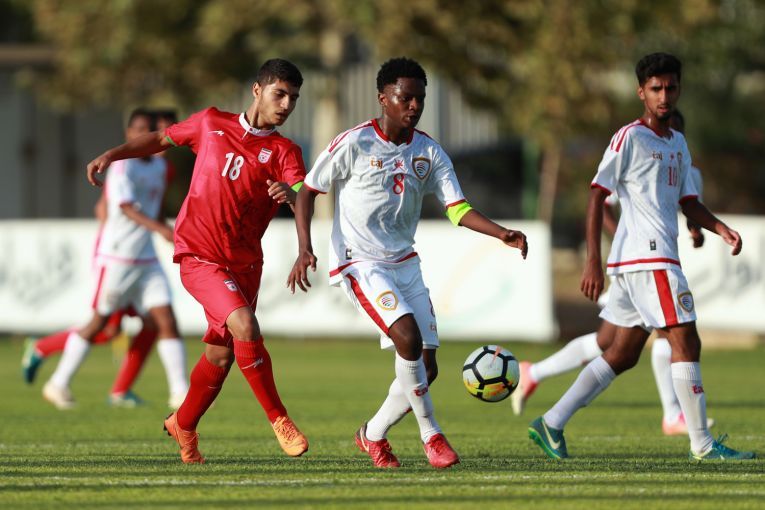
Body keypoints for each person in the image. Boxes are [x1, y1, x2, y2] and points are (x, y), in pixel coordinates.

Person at [288, 57, 528, 469]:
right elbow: (308, 190)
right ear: (383, 98)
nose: (414, 106)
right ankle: (431, 434)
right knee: (407, 338)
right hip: (360, 263)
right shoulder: (355, 142)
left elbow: (457, 208)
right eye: (405, 97)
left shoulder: (429, 152)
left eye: (419, 98)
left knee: (426, 368)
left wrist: (500, 233)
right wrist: (305, 247)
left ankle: (372, 434)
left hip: (405, 263)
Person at [528, 53, 755, 461]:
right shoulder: (629, 137)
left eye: (670, 87)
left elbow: (688, 201)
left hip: (646, 263)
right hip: (649, 260)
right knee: (686, 339)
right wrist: (592, 261)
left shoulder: (678, 143)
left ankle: (552, 421)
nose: (664, 96)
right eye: (655, 88)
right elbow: (597, 194)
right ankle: (702, 444)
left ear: (678, 89)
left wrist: (719, 228)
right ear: (641, 92)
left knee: (622, 353)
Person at [86, 59, 309, 464]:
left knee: (221, 355)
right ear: (257, 90)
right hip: (200, 254)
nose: (286, 104)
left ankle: (183, 424)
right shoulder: (210, 123)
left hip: (245, 263)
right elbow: (160, 139)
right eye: (280, 94)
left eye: (293, 98)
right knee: (245, 325)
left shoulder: (284, 151)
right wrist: (112, 155)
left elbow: (302, 196)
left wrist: (294, 201)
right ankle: (279, 418)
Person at [514, 111, 713, 436]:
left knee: (617, 348)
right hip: (641, 261)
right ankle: (680, 420)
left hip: (650, 261)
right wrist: (607, 247)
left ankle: (547, 407)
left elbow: (690, 209)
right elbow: (600, 200)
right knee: (677, 336)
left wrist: (699, 231)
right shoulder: (639, 154)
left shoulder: (687, 168)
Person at [37, 109, 188, 411]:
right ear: (129, 133)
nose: (143, 135)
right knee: (101, 324)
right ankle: (58, 382)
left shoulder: (159, 166)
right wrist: (161, 229)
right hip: (118, 257)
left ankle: (180, 393)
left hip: (146, 258)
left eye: (149, 130)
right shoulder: (122, 168)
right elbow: (126, 208)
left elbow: (155, 207)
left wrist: (167, 229)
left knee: (166, 320)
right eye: (139, 129)